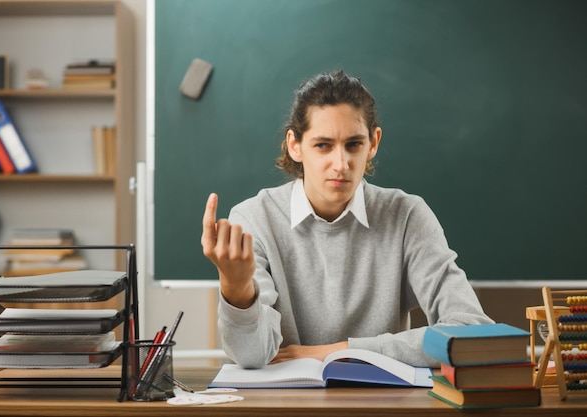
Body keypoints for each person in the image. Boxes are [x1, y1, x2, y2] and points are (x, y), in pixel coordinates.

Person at [201, 70, 493, 369]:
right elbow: (252, 356)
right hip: (288, 405)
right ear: (295, 145)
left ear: (373, 142)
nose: (341, 164)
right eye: (323, 145)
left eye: (353, 144)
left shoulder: (406, 216)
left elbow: (471, 334)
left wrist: (341, 351)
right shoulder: (254, 219)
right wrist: (237, 291)